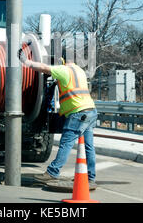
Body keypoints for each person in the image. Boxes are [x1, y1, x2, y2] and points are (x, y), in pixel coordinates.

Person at [18, 49, 98, 186]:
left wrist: (26, 62)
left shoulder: (64, 70)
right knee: (88, 147)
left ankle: (52, 172)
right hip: (90, 111)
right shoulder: (80, 71)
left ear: (62, 59)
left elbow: (43, 68)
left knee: (66, 143)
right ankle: (90, 177)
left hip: (77, 113)